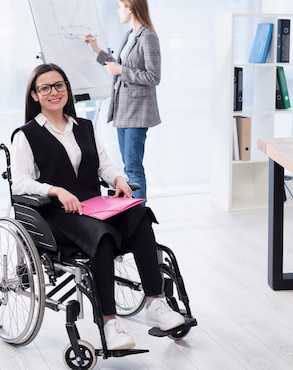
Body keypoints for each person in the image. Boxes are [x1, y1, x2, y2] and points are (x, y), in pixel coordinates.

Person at [10, 63, 184, 350]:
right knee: (100, 236)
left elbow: (104, 164)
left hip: (94, 206)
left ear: (67, 89)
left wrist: (118, 178)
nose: (54, 92)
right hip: (56, 214)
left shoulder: (85, 127)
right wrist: (54, 190)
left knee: (139, 215)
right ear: (34, 95)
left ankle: (155, 302)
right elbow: (20, 183)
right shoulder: (25, 135)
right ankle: (109, 322)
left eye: (59, 85)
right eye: (45, 88)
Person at [85, 0, 160, 201]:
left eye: (120, 7)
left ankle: (139, 216)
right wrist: (96, 48)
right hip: (123, 109)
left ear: (131, 8)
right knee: (128, 165)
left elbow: (153, 77)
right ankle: (133, 210)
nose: (118, 11)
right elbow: (118, 65)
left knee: (133, 167)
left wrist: (122, 71)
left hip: (138, 111)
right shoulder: (130, 35)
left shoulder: (148, 37)